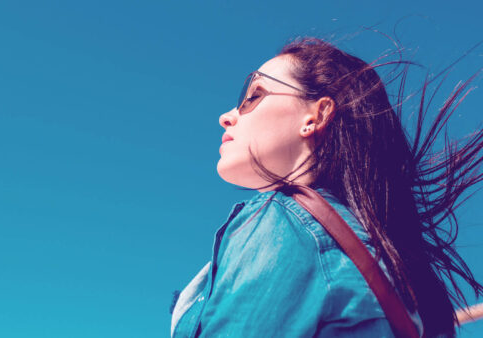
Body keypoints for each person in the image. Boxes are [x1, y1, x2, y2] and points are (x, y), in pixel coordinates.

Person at [170, 37, 483, 337]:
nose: (227, 116)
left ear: (316, 115)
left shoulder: (284, 223)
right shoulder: (385, 264)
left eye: (253, 96)